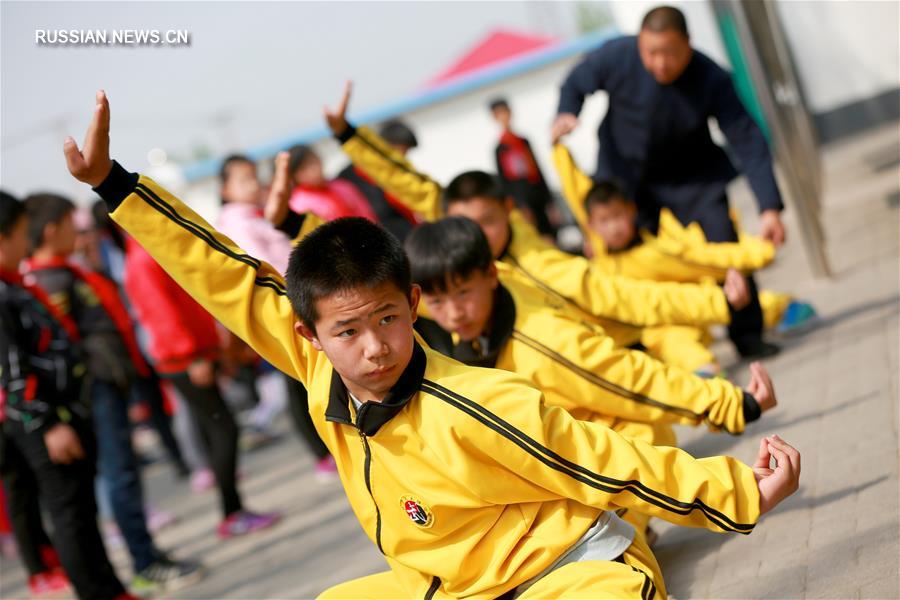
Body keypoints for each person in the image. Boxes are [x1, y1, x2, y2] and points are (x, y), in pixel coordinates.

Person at [65, 90, 801, 598]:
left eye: (388, 319)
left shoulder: (487, 390)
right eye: (347, 332)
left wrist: (736, 476)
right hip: (445, 582)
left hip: (567, 567)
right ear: (308, 337)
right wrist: (115, 185)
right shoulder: (320, 363)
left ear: (413, 307)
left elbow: (603, 456)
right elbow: (222, 273)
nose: (374, 347)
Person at [325, 82, 753, 372]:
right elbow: (401, 176)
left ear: (509, 211)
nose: (477, 234)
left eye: (489, 221)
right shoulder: (454, 257)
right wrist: (347, 135)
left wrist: (716, 303)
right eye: (464, 223)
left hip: (608, 352)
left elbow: (625, 297)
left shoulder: (543, 260)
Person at [405, 216, 779, 538]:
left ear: (489, 272)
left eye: (463, 293)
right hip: (558, 444)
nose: (454, 313)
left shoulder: (544, 342)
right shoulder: (482, 297)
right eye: (438, 303)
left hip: (614, 445)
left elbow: (630, 378)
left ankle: (629, 536)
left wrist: (730, 404)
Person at [553, 5, 785, 359]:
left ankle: (747, 333)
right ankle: (640, 344)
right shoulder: (618, 55)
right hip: (626, 180)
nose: (660, 63)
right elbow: (576, 81)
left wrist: (769, 207)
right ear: (640, 45)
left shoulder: (711, 78)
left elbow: (746, 137)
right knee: (624, 259)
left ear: (688, 45)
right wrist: (568, 112)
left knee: (723, 240)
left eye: (670, 53)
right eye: (651, 53)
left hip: (692, 177)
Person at [22, 193, 203, 594]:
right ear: (52, 229)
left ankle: (147, 555)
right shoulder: (48, 280)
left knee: (124, 475)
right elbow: (59, 346)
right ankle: (144, 561)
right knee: (119, 476)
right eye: (72, 224)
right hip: (97, 390)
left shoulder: (66, 271)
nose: (79, 232)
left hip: (111, 384)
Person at [0, 191, 133, 600]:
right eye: (21, 234)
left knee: (82, 510)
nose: (27, 242)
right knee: (70, 514)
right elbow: (12, 371)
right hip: (43, 422)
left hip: (64, 411)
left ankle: (111, 589)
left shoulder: (13, 284)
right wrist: (49, 425)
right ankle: (97, 592)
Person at [552, 141, 819, 337]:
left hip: (680, 311)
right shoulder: (599, 251)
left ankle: (782, 307)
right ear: (591, 225)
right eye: (604, 221)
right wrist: (558, 148)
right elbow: (575, 189)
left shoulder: (658, 251)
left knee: (708, 300)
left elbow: (708, 259)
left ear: (631, 212)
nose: (613, 228)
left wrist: (761, 250)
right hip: (642, 328)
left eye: (617, 217)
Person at [122, 235, 281, 537]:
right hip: (185, 359)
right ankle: (232, 513)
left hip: (196, 354)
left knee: (217, 429)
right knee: (223, 428)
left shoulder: (151, 250)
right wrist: (192, 356)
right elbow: (162, 315)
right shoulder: (142, 259)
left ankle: (234, 511)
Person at [216, 153, 336, 477]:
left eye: (254, 175)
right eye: (243, 179)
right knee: (301, 384)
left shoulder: (254, 214)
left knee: (305, 382)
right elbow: (265, 266)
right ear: (225, 189)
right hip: (287, 308)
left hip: (297, 301)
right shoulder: (236, 222)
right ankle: (321, 453)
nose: (253, 183)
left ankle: (325, 451)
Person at [337, 119, 422, 241]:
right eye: (402, 151)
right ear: (384, 146)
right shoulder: (347, 179)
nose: (403, 158)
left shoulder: (399, 173)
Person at [489, 97, 555, 237]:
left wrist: (549, 200)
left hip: (538, 196)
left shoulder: (524, 141)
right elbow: (505, 182)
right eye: (499, 113)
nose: (504, 117)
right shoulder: (500, 149)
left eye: (505, 112)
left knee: (549, 233)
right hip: (522, 203)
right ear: (494, 117)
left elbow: (537, 170)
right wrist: (519, 205)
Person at [287, 144, 377, 222]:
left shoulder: (343, 186)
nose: (313, 169)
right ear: (294, 176)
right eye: (304, 168)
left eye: (313, 162)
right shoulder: (298, 205)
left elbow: (367, 215)